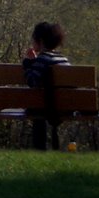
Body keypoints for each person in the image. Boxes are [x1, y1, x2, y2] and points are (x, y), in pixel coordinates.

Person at [23, 21, 70, 150]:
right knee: (40, 104)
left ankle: (40, 149)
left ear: (40, 41)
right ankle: (54, 149)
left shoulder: (42, 59)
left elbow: (32, 81)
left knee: (36, 106)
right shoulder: (63, 59)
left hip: (45, 107)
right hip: (63, 107)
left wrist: (28, 64)